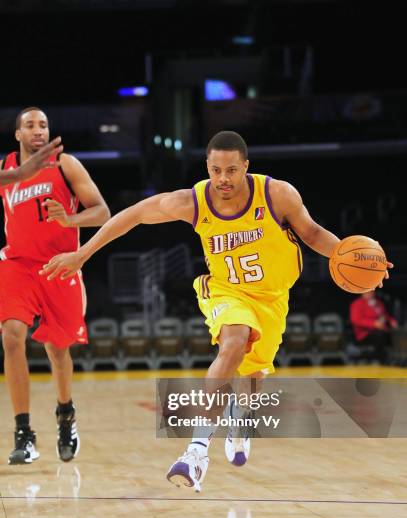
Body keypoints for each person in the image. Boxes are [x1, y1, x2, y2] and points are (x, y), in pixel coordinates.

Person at [40, 131, 391, 491]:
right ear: (207, 167)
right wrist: (83, 253)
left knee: (252, 378)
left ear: (246, 168)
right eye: (216, 170)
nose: (223, 179)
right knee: (233, 342)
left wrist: (361, 264)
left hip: (271, 298)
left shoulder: (277, 194)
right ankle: (196, 451)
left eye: (231, 170)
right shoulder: (194, 201)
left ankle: (241, 417)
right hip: (225, 290)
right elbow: (134, 215)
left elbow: (314, 235)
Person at [0, 107, 111, 465]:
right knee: (12, 336)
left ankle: (65, 414)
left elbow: (102, 212)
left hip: (59, 266)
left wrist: (70, 218)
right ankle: (24, 432)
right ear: (17, 134)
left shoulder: (67, 165)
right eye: (30, 125)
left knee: (57, 350)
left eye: (43, 125)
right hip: (17, 265)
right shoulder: (6, 169)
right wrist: (20, 173)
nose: (38, 130)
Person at [350, 290, 398, 363]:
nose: (370, 294)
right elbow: (356, 320)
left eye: (371, 292)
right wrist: (373, 323)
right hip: (365, 333)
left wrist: (391, 321)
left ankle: (393, 355)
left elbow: (384, 315)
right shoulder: (357, 304)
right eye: (367, 292)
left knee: (394, 334)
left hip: (381, 329)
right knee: (380, 335)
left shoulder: (378, 303)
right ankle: (379, 357)